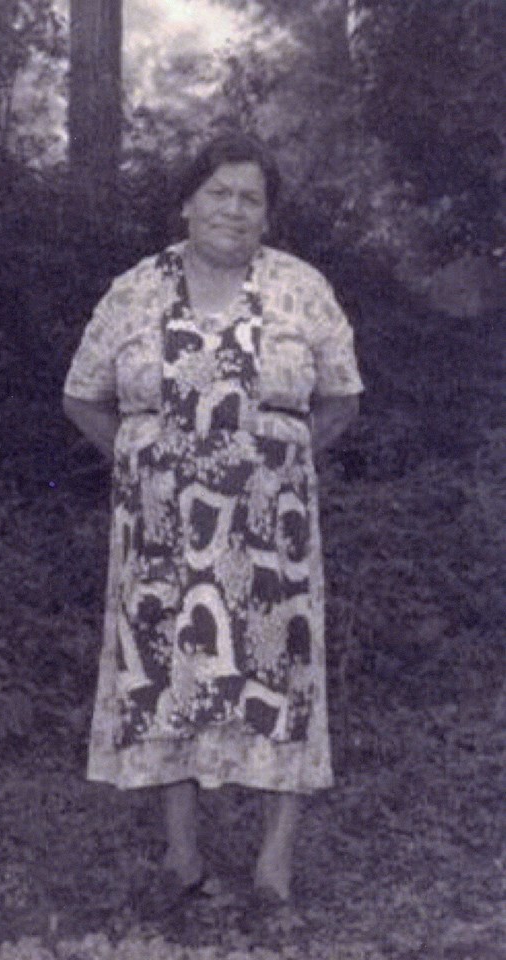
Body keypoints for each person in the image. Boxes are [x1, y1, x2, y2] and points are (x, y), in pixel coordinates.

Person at [62, 133, 361, 909]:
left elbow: (343, 395)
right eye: (219, 192)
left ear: (268, 214)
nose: (233, 208)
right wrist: (139, 464)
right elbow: (82, 392)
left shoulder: (301, 289)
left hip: (273, 532)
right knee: (168, 673)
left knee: (279, 673)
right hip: (162, 532)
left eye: (250, 197)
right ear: (187, 201)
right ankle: (184, 861)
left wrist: (280, 464)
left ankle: (273, 867)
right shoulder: (135, 290)